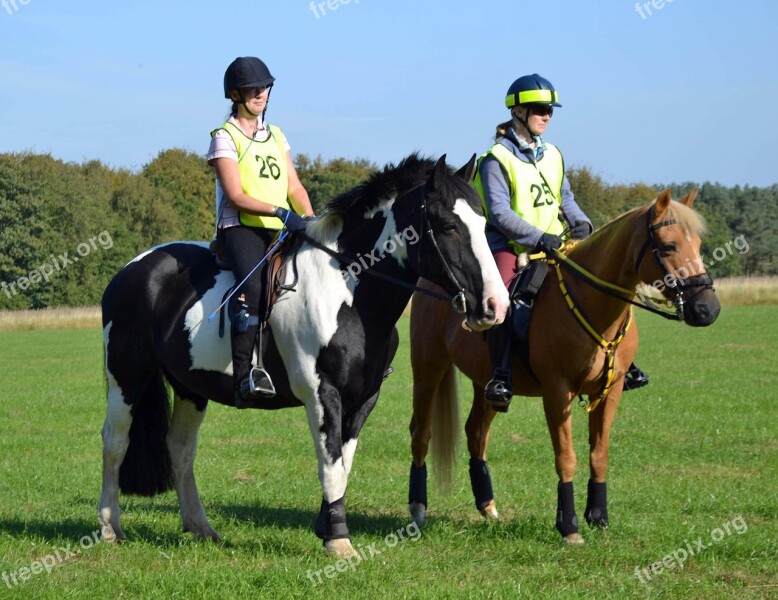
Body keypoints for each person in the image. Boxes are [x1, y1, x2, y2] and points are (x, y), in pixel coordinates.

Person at [473, 73, 648, 412]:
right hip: (511, 246)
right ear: (519, 112)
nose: (547, 115)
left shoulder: (552, 154)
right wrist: (539, 237)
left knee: (602, 285)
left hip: (556, 243)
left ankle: (621, 366)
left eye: (550, 109)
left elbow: (564, 198)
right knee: (503, 302)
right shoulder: (496, 158)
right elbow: (499, 213)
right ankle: (501, 374)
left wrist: (582, 223)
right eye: (540, 108)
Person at [207, 56, 314, 408]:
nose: (260, 94)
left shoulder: (276, 135)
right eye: (253, 89)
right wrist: (280, 212)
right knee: (252, 287)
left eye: (264, 88)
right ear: (235, 94)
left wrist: (310, 219)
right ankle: (244, 377)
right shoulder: (225, 137)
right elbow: (236, 195)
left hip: (280, 226)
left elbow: (295, 186)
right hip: (240, 227)